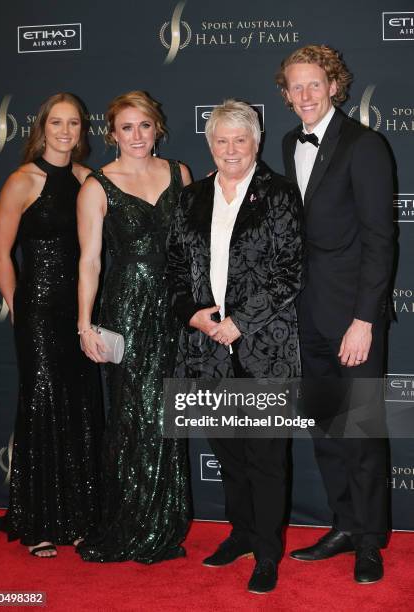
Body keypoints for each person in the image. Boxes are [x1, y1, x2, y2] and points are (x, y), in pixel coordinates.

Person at [167, 100, 304, 593]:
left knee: (266, 459)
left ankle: (267, 553)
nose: (230, 149)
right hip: (205, 348)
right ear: (210, 144)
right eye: (221, 140)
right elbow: (176, 270)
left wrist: (241, 322)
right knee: (228, 454)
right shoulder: (191, 197)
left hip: (264, 347)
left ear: (257, 142)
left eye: (239, 140)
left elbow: (290, 271)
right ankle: (240, 533)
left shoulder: (280, 195)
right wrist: (193, 314)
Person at [276, 45, 394, 583]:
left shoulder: (364, 145)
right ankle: (344, 525)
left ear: (335, 86)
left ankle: (370, 540)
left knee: (361, 431)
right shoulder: (285, 142)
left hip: (352, 318)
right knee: (325, 430)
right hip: (307, 315)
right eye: (294, 87)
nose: (303, 96)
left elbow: (380, 239)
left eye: (313, 85)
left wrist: (364, 319)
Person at [76, 91, 191, 563]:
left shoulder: (178, 174)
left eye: (145, 125)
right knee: (132, 415)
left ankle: (165, 521)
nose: (137, 136)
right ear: (112, 133)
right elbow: (89, 262)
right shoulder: (97, 186)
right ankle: (128, 520)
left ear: (157, 128)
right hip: (126, 309)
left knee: (168, 410)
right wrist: (85, 324)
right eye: (127, 128)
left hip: (176, 309)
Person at [0, 93, 104, 557]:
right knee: (42, 406)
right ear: (41, 128)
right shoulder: (22, 180)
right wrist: (18, 306)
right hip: (37, 311)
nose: (65, 131)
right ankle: (40, 520)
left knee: (80, 406)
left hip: (79, 310)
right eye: (56, 123)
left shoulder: (87, 179)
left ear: (82, 131)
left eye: (73, 123)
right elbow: (0, 252)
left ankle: (78, 517)